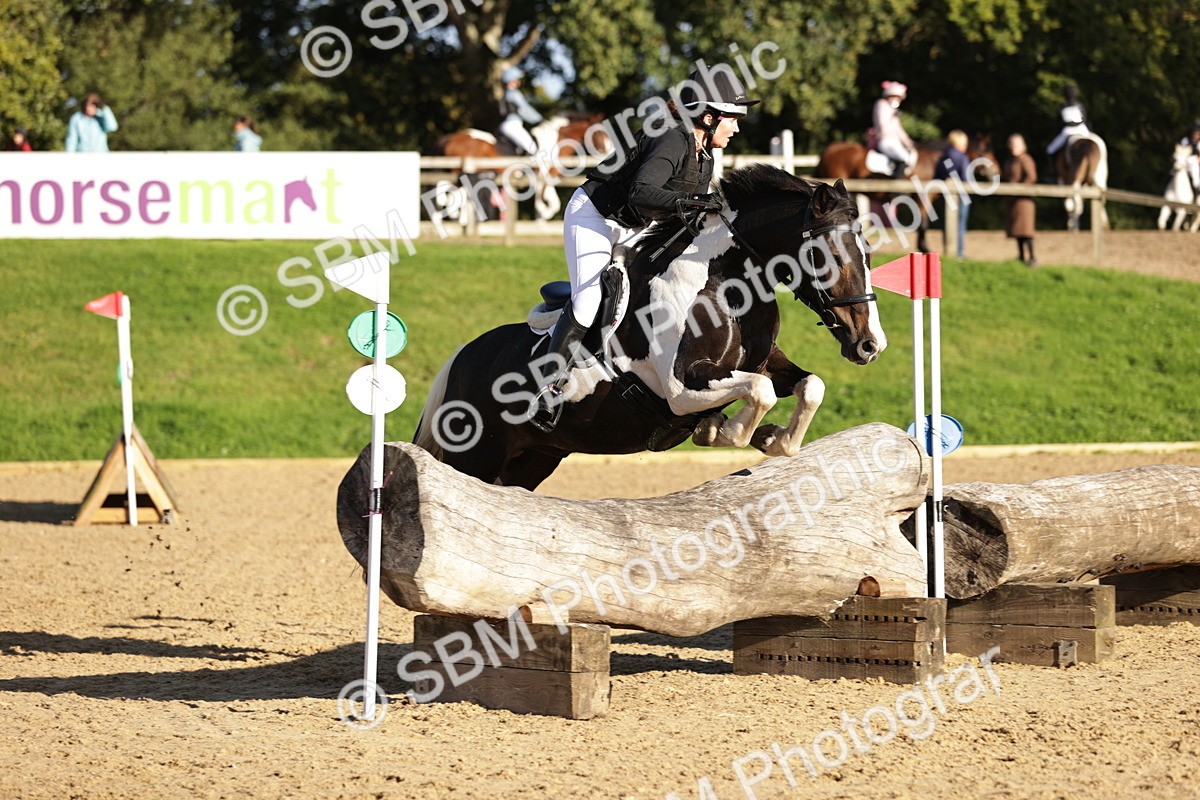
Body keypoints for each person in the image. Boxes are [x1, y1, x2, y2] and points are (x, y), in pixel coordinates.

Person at [528, 65, 758, 432]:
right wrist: (694, 204)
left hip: (638, 225)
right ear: (710, 117)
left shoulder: (706, 155)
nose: (737, 128)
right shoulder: (671, 137)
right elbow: (641, 191)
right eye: (733, 119)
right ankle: (548, 387)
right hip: (595, 218)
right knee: (589, 301)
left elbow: (678, 211)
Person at [934, 129, 971, 258]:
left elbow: (937, 178)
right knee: (960, 226)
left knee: (947, 225)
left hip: (945, 197)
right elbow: (967, 179)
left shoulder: (943, 158)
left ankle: (948, 252)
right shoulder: (963, 158)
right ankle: (959, 254)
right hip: (962, 197)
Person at [1004, 134, 1038, 267]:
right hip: (1013, 201)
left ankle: (1032, 257)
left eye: (1016, 144)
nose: (1013, 147)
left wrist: (1018, 189)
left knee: (1026, 232)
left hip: (1024, 201)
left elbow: (1031, 177)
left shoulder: (1026, 160)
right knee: (1018, 232)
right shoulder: (1011, 161)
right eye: (1011, 144)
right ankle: (1021, 256)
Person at [873, 81, 916, 177]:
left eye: (898, 97)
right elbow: (882, 123)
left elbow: (899, 129)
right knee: (904, 158)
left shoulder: (894, 111)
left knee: (909, 157)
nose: (896, 100)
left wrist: (908, 142)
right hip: (885, 140)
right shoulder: (881, 105)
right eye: (893, 96)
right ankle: (896, 187)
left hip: (895, 142)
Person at [498, 66, 542, 156]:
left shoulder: (507, 94)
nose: (518, 81)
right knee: (533, 149)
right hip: (513, 125)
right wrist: (539, 119)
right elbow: (525, 109)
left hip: (510, 125)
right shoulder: (514, 94)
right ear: (512, 81)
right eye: (516, 79)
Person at [1046, 84, 1089, 172]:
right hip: (1083, 129)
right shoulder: (1080, 105)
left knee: (1050, 150)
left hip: (1068, 131)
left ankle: (1053, 171)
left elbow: (1060, 123)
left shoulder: (1063, 107)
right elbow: (1085, 119)